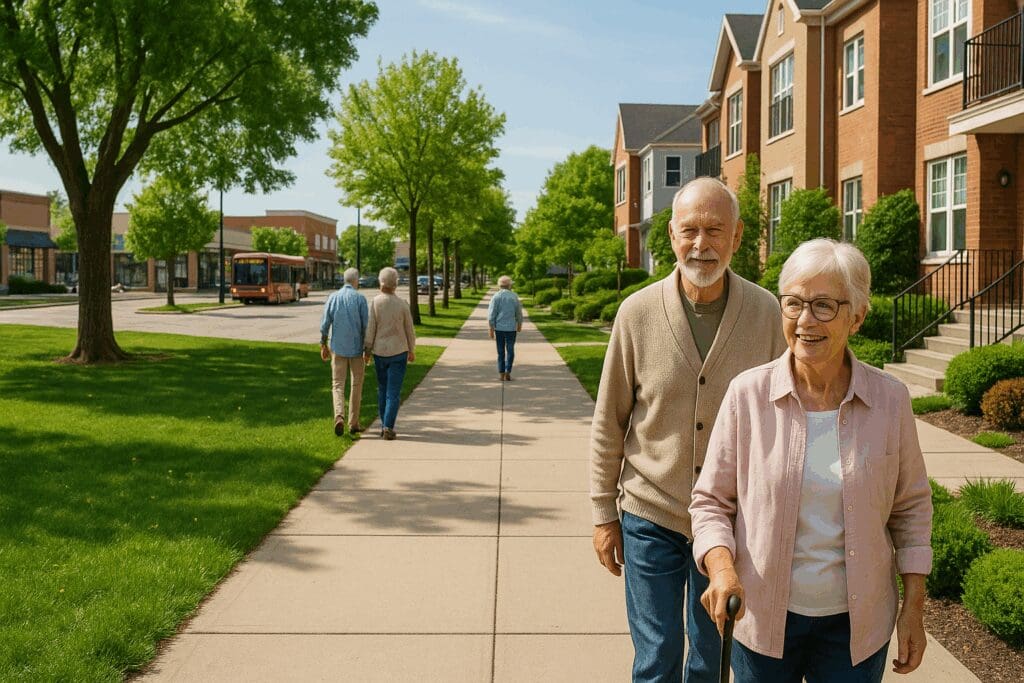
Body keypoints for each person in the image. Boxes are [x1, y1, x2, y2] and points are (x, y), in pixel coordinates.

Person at [689, 239, 933, 683]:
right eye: (794, 303)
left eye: (824, 305)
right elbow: (710, 503)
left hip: (856, 628)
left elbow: (912, 509)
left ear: (857, 316)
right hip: (763, 620)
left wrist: (913, 607)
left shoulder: (890, 400)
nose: (805, 321)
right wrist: (722, 569)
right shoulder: (748, 395)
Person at [590, 177, 787, 682]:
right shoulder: (635, 314)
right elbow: (609, 421)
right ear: (672, 238)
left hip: (726, 523)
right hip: (648, 513)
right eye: (689, 231)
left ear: (738, 237)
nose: (701, 244)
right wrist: (602, 513)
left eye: (715, 230)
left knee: (708, 659)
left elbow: (787, 416)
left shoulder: (767, 313)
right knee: (655, 659)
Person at [364, 266, 416, 440]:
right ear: (395, 284)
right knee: (393, 392)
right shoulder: (402, 304)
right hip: (399, 350)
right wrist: (411, 348)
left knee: (382, 389)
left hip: (380, 351)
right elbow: (409, 329)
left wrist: (367, 349)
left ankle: (384, 424)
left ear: (381, 282)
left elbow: (371, 328)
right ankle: (388, 426)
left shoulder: (375, 302)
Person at [320, 267, 369, 436]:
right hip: (356, 349)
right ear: (356, 281)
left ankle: (339, 415)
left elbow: (325, 322)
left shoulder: (333, 297)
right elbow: (365, 326)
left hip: (338, 348)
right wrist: (367, 349)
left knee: (337, 385)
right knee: (356, 384)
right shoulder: (360, 299)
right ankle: (353, 423)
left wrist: (323, 343)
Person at [488, 275, 523, 381]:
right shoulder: (514, 296)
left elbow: (491, 314)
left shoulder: (496, 297)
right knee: (510, 350)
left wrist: (491, 328)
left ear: (500, 285)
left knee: (500, 351)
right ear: (509, 285)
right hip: (511, 328)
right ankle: (508, 370)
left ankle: (501, 373)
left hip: (499, 328)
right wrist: (519, 324)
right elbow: (518, 313)